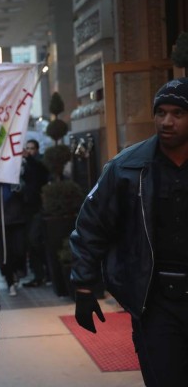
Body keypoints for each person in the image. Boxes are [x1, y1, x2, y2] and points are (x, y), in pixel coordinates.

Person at [70, 77, 188, 386]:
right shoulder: (126, 167)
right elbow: (91, 225)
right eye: (161, 112)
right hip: (155, 300)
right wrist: (84, 287)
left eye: (177, 113)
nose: (167, 121)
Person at [21, 139, 50, 287]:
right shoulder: (25, 165)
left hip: (38, 208)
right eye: (27, 148)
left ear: (37, 149)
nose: (29, 150)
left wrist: (29, 158)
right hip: (26, 209)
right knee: (30, 244)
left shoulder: (38, 163)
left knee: (35, 240)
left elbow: (40, 173)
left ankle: (47, 271)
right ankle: (38, 275)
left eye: (32, 148)